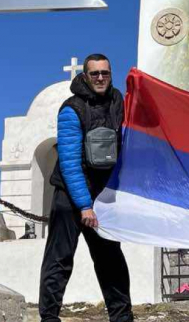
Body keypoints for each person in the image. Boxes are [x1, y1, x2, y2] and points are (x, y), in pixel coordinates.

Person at [38, 53, 133, 322]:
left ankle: (122, 317)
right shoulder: (72, 109)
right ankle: (49, 318)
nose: (101, 78)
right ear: (85, 76)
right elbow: (69, 162)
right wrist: (84, 205)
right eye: (95, 74)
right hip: (70, 196)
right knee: (59, 260)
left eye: (105, 73)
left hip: (102, 198)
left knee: (111, 260)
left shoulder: (118, 102)